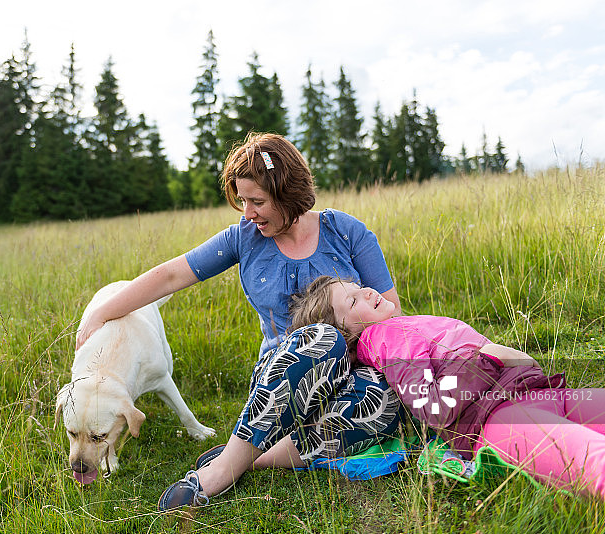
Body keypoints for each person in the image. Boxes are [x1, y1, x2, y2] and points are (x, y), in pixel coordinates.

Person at [75, 133, 403, 510]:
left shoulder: (344, 231)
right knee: (323, 339)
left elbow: (391, 312)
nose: (248, 213)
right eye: (243, 201)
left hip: (352, 376)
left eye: (257, 201)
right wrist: (102, 311)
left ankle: (255, 457)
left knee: (384, 398)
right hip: (280, 386)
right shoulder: (243, 239)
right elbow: (171, 276)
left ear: (288, 193)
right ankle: (220, 473)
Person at [287, 275, 605, 499]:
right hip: (496, 418)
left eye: (358, 287)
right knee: (593, 461)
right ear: (344, 337)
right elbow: (433, 406)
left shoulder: (399, 326)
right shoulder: (383, 338)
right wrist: (490, 358)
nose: (368, 292)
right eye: (353, 300)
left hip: (532, 393)